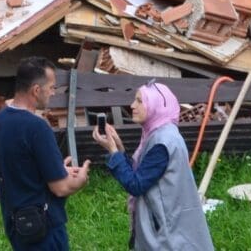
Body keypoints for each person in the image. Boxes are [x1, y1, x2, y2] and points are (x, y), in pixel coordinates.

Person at [92, 82, 214, 251]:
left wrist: (113, 152)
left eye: (140, 101)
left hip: (165, 230)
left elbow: (136, 184)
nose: (132, 105)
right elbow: (143, 173)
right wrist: (119, 148)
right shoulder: (161, 134)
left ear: (157, 105)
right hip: (169, 221)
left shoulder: (162, 142)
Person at [0, 57, 90, 249]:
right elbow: (60, 188)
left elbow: (19, 170)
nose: (53, 92)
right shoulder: (37, 128)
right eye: (51, 87)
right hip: (44, 230)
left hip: (16, 226)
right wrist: (80, 179)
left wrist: (57, 170)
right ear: (36, 90)